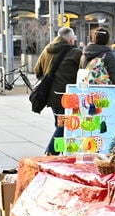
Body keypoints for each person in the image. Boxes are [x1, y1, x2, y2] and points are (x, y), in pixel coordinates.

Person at [34, 26, 82, 155]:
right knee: (64, 126)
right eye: (74, 39)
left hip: (51, 96)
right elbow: (83, 74)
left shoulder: (46, 50)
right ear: (71, 40)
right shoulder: (76, 53)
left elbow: (37, 70)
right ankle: (51, 152)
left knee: (60, 125)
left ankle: (59, 152)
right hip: (67, 97)